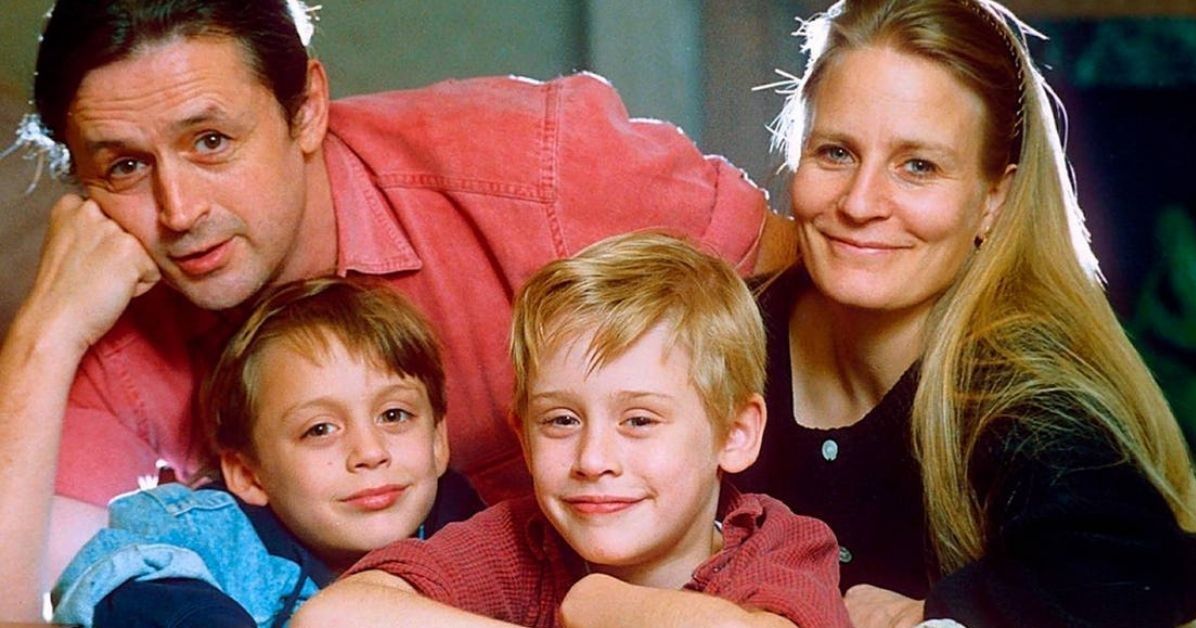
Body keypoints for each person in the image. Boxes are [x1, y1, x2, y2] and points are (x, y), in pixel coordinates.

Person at [0, 0, 795, 620]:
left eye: (211, 141)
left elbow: (828, 277)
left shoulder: (529, 168)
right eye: (125, 166)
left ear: (306, 107)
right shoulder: (105, 329)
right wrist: (46, 333)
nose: (178, 211)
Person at [734, 0, 1196, 626]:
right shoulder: (725, 332)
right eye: (836, 153)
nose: (861, 202)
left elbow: (1140, 573)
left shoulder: (1026, 392)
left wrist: (937, 612)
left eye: (918, 166)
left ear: (991, 200)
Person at [291, 232, 851, 627]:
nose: (592, 458)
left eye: (638, 420)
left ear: (734, 433)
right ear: (524, 436)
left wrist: (596, 601)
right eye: (561, 420)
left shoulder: (783, 547)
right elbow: (330, 615)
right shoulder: (521, 539)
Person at [50, 277, 483, 627]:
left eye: (394, 415)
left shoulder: (475, 533)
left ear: (437, 441)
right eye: (320, 429)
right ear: (249, 474)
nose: (370, 452)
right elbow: (115, 570)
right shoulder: (210, 533)